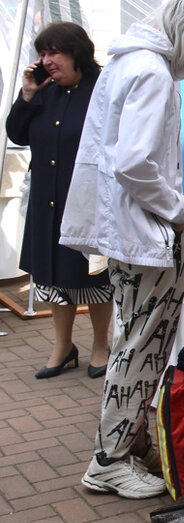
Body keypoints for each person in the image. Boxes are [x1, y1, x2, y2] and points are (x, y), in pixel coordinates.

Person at [60, 0, 184, 499]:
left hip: (131, 232)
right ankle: (108, 458)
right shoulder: (152, 72)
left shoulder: (129, 64)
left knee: (135, 342)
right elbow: (135, 162)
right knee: (141, 346)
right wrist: (177, 211)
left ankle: (123, 444)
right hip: (147, 234)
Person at [6, 22, 113, 380]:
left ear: (76, 52)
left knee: (93, 275)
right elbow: (17, 133)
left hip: (88, 200)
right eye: (43, 54)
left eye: (54, 53)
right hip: (47, 200)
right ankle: (62, 346)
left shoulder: (102, 88)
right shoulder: (42, 90)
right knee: (51, 273)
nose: (47, 60)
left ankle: (102, 345)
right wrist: (27, 94)